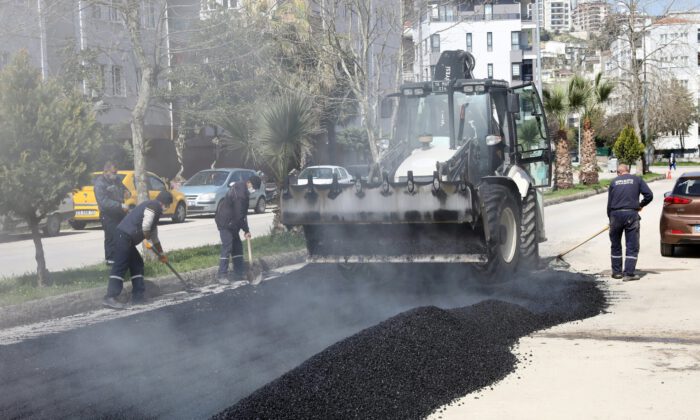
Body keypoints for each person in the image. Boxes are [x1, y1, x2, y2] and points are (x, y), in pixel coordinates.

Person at [102, 190, 172, 309]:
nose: (168, 208)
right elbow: (146, 226)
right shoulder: (154, 206)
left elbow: (154, 236)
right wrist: (147, 237)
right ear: (164, 203)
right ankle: (110, 297)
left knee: (137, 264)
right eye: (168, 205)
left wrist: (161, 254)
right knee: (120, 265)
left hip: (127, 238)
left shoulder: (155, 210)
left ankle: (138, 297)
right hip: (123, 236)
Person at [606, 163, 653, 282]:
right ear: (628, 170)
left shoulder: (613, 182)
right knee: (632, 245)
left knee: (615, 245)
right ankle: (628, 273)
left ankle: (617, 273)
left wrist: (610, 219)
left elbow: (609, 204)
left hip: (615, 215)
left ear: (618, 172)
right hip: (631, 214)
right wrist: (640, 205)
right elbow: (649, 195)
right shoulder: (637, 180)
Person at [215, 175, 262, 284]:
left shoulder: (243, 189)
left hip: (233, 222)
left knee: (237, 246)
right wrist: (246, 230)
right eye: (254, 187)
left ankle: (239, 272)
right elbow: (239, 215)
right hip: (226, 222)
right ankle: (222, 275)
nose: (253, 190)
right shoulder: (241, 194)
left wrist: (246, 229)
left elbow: (242, 214)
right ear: (249, 183)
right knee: (228, 246)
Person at [95, 161, 129, 265]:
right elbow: (103, 202)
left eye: (116, 172)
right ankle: (111, 262)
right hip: (108, 215)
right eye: (114, 172)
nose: (116, 174)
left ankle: (121, 259)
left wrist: (127, 192)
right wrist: (120, 205)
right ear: (106, 171)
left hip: (119, 213)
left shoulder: (117, 180)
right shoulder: (100, 184)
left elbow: (123, 188)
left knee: (122, 236)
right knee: (111, 237)